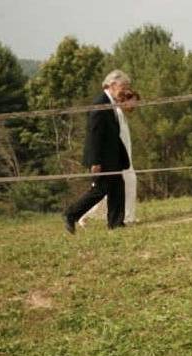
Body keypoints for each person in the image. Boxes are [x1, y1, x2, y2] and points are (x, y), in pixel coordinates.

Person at [63, 70, 132, 234]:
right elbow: (94, 134)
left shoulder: (111, 102)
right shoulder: (100, 103)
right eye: (123, 86)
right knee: (100, 190)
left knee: (117, 188)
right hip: (102, 158)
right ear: (113, 85)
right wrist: (95, 161)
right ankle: (71, 214)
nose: (125, 90)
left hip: (112, 157)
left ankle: (116, 223)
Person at [77, 90, 140, 227]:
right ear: (125, 100)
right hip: (116, 161)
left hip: (123, 160)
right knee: (109, 191)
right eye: (133, 101)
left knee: (121, 189)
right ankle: (126, 217)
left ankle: (127, 217)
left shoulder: (120, 115)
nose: (135, 105)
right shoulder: (115, 113)